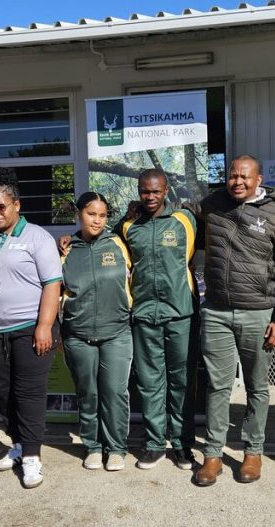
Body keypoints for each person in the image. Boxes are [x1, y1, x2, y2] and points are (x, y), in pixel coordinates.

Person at [193, 156, 275, 486]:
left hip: (259, 313)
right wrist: (134, 215)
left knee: (256, 387)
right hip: (217, 313)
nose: (237, 181)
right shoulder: (212, 205)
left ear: (259, 179)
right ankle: (212, 455)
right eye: (232, 176)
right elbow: (179, 213)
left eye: (244, 176)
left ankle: (253, 452)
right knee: (218, 386)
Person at [0, 180, 62, 489]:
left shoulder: (37, 237)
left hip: (29, 327)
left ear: (16, 206)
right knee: (4, 391)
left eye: (0, 207)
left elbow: (51, 283)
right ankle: (18, 444)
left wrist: (44, 325)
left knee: (29, 392)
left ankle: (32, 456)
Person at [115, 169, 198, 470]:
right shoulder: (128, 226)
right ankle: (153, 443)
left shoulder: (185, 221)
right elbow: (99, 238)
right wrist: (70, 240)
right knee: (150, 382)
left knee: (182, 380)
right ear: (139, 191)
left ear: (166, 191)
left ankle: (182, 444)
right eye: (144, 191)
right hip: (144, 314)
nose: (150, 197)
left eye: (156, 191)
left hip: (180, 313)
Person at [60, 192, 133, 472]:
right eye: (92, 214)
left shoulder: (118, 243)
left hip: (116, 332)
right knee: (87, 393)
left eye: (103, 215)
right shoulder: (66, 250)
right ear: (79, 214)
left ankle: (116, 448)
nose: (97, 220)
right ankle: (92, 446)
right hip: (77, 335)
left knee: (114, 392)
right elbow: (57, 292)